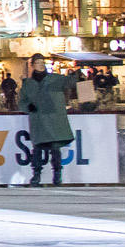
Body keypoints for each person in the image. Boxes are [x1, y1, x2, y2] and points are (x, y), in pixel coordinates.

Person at [22, 57, 73, 185]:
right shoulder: (28, 83)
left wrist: (74, 76)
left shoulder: (55, 79)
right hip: (38, 120)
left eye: (42, 62)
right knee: (37, 149)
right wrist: (28, 106)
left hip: (53, 119)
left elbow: (70, 83)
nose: (40, 65)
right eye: (37, 63)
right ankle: (36, 175)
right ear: (33, 65)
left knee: (55, 149)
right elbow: (22, 101)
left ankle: (57, 175)